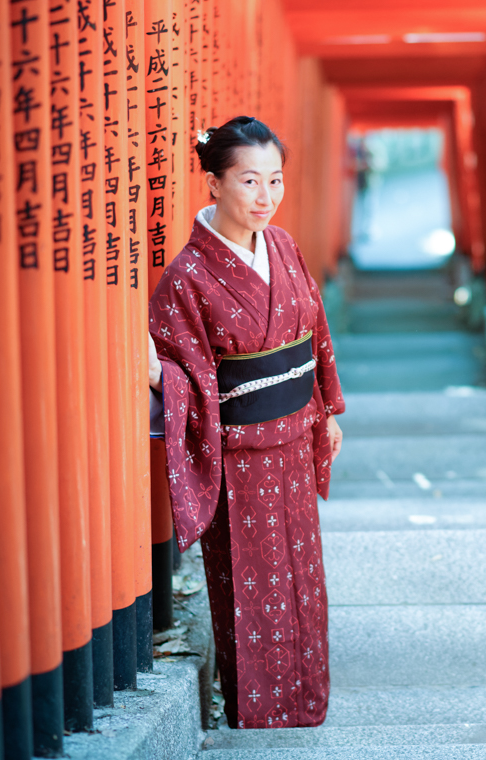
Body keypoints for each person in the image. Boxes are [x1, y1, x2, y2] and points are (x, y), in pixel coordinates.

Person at [147, 116, 345, 729]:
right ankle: (260, 712)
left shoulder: (283, 246)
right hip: (239, 450)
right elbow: (192, 375)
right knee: (251, 585)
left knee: (303, 576)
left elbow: (313, 331)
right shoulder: (187, 276)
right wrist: (163, 379)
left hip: (295, 432)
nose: (265, 197)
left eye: (275, 180)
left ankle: (307, 697)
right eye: (249, 181)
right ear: (214, 184)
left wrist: (328, 406)